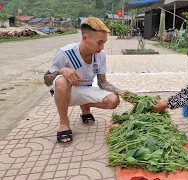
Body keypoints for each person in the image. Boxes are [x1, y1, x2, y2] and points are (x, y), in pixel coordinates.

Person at [44, 17, 134, 145]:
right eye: (99, 42)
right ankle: (64, 123)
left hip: (85, 89)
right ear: (85, 38)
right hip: (65, 93)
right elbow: (46, 81)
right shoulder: (65, 53)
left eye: (104, 43)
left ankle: (85, 106)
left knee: (113, 100)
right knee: (61, 82)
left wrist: (121, 92)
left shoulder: (100, 55)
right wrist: (61, 71)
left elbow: (102, 82)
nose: (102, 47)